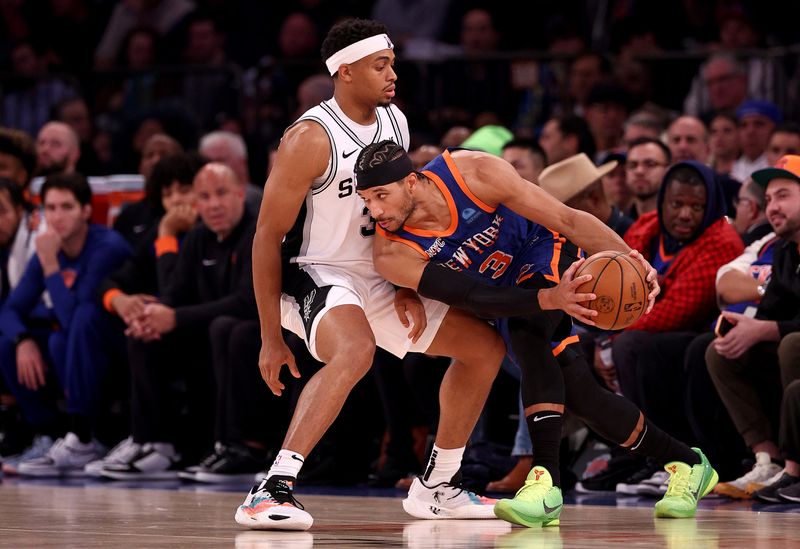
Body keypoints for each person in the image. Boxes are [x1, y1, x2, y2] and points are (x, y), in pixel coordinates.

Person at [356, 139, 718, 526]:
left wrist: (633, 260)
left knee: (528, 335)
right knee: (582, 395)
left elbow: (568, 219)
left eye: (381, 195)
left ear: (412, 181)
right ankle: (687, 463)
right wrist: (549, 299)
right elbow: (474, 295)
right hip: (502, 295)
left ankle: (545, 483)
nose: (375, 211)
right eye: (366, 200)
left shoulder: (473, 173)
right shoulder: (392, 254)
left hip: (542, 247)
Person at [237, 19, 505, 532]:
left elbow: (397, 214)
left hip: (378, 275)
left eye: (392, 63)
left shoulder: (396, 122)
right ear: (345, 71)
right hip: (313, 271)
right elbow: (266, 237)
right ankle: (270, 488)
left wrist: (405, 284)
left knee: (484, 348)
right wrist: (271, 336)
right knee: (356, 349)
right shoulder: (309, 138)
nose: (392, 73)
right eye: (381, 65)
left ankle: (438, 487)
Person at [0, 173, 131, 476]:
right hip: (79, 349)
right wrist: (23, 341)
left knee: (68, 332)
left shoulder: (106, 247)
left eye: (66, 207)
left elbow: (74, 320)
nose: (57, 217)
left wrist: (49, 265)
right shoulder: (52, 247)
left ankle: (83, 436)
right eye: (51, 208)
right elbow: (9, 310)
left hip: (117, 350)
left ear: (86, 211)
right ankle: (50, 434)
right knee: (8, 345)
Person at [706, 155, 800, 501]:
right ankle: (768, 459)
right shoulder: (786, 251)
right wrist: (746, 326)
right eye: (769, 199)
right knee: (722, 351)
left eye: (784, 196)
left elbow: (778, 327)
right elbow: (772, 311)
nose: (772, 207)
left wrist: (767, 330)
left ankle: (796, 467)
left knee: (792, 344)